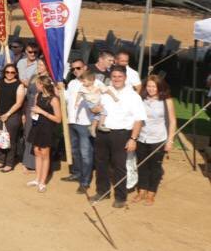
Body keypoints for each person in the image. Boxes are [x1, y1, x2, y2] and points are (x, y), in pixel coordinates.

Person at [91, 66, 146, 208]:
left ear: (125, 78)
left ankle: (121, 197)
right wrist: (95, 109)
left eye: (119, 76)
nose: (116, 79)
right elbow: (96, 108)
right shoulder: (105, 92)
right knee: (101, 163)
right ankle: (102, 191)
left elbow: (139, 119)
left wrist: (133, 139)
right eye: (114, 76)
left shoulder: (133, 96)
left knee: (119, 166)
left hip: (121, 134)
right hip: (103, 132)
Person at [134, 75, 176, 205]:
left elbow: (173, 120)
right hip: (142, 137)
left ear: (159, 87)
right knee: (142, 165)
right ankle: (142, 190)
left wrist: (170, 140)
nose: (151, 89)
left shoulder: (166, 100)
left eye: (154, 86)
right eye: (149, 86)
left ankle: (151, 193)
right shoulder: (141, 99)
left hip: (158, 138)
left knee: (155, 167)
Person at [64, 58, 95, 193]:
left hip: (85, 123)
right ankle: (77, 173)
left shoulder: (94, 82)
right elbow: (67, 99)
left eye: (78, 68)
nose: (75, 71)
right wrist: (60, 89)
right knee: (75, 150)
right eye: (73, 69)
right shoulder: (71, 83)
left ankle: (85, 181)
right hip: (72, 122)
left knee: (85, 154)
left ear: (85, 67)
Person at [27, 75, 62, 192]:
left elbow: (58, 119)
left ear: (42, 85)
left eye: (37, 84)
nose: (36, 86)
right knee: (37, 151)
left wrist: (42, 112)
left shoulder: (54, 99)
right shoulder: (39, 95)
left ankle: (42, 182)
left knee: (45, 154)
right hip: (37, 126)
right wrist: (34, 115)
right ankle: (37, 178)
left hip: (48, 129)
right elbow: (36, 110)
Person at [0, 63, 25, 172]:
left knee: (10, 139)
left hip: (13, 115)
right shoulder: (0, 82)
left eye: (12, 72)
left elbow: (19, 103)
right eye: (7, 72)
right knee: (0, 138)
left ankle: (9, 163)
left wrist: (7, 114)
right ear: (4, 73)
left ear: (16, 73)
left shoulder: (19, 85)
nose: (10, 74)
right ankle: (1, 161)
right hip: (0, 114)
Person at [17, 42, 45, 170]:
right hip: (29, 107)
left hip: (42, 110)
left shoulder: (48, 80)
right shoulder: (34, 76)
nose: (39, 66)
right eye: (39, 65)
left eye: (41, 65)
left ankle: (37, 164)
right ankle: (27, 162)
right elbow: (29, 94)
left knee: (38, 137)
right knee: (28, 134)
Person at [75, 70, 117, 136]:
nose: (83, 83)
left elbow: (107, 91)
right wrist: (76, 102)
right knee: (104, 112)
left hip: (97, 103)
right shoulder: (83, 88)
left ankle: (93, 127)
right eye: (82, 81)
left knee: (97, 115)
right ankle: (100, 125)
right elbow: (79, 94)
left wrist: (114, 97)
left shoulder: (98, 85)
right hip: (91, 103)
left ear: (91, 81)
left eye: (84, 81)